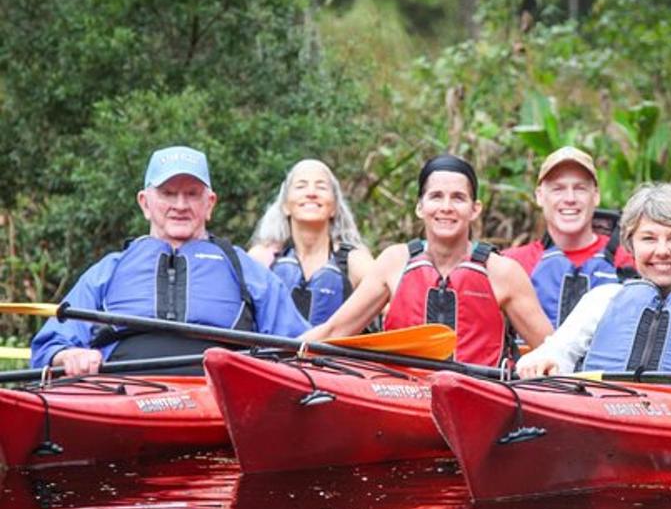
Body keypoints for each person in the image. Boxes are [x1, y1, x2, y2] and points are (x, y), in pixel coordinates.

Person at [30, 145, 310, 376]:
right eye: (167, 193)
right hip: (121, 393)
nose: (180, 205)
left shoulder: (246, 271)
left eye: (192, 194)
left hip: (219, 394)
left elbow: (294, 345)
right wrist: (68, 355)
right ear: (144, 202)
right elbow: (50, 345)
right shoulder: (109, 270)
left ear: (210, 203)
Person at [517, 183, 671, 407]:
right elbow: (558, 352)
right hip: (605, 420)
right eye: (648, 239)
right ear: (631, 246)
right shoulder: (603, 299)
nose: (662, 251)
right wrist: (540, 363)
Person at [301, 154, 552, 366]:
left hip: (478, 400)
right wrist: (281, 356)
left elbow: (552, 350)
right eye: (436, 196)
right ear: (420, 207)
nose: (446, 207)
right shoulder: (394, 262)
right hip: (402, 398)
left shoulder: (503, 272)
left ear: (474, 210)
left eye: (458, 198)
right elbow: (334, 331)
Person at [503, 146, 636, 326]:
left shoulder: (630, 261)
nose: (570, 198)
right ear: (540, 196)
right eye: (558, 189)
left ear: (595, 196)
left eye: (580, 188)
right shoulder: (510, 265)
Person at [247, 159, 373, 326]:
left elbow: (391, 308)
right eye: (301, 186)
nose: (311, 193)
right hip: (272, 352)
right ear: (285, 206)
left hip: (334, 351)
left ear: (334, 207)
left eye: (321, 187)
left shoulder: (356, 261)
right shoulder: (262, 259)